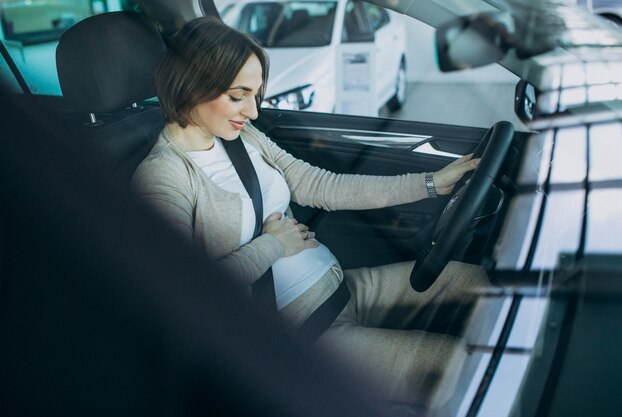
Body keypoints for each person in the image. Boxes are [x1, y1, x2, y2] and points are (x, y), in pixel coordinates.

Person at [131, 16, 489, 407]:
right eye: (238, 96)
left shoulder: (240, 136)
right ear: (192, 87)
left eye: (256, 94)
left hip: (346, 289)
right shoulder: (163, 176)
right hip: (306, 335)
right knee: (467, 371)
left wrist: (432, 183)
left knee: (483, 286)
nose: (252, 111)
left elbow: (324, 186)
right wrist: (272, 244)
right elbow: (185, 292)